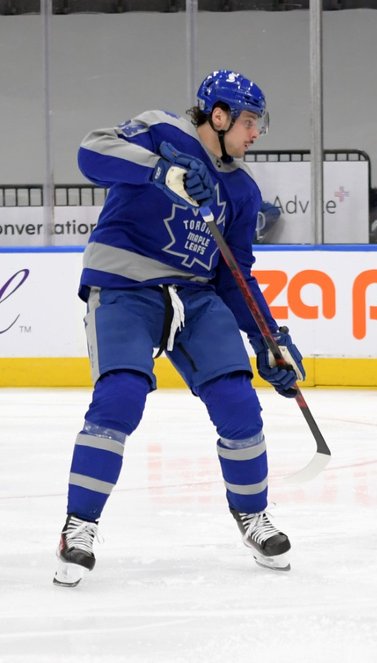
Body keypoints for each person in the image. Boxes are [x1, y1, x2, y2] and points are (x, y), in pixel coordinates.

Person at [53, 70, 306, 587]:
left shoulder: (242, 190)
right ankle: (79, 525)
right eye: (250, 121)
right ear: (219, 114)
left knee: (239, 402)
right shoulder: (162, 130)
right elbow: (90, 153)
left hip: (194, 293)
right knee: (120, 397)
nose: (256, 133)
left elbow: (234, 275)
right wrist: (157, 169)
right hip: (125, 284)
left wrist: (269, 338)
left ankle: (252, 516)